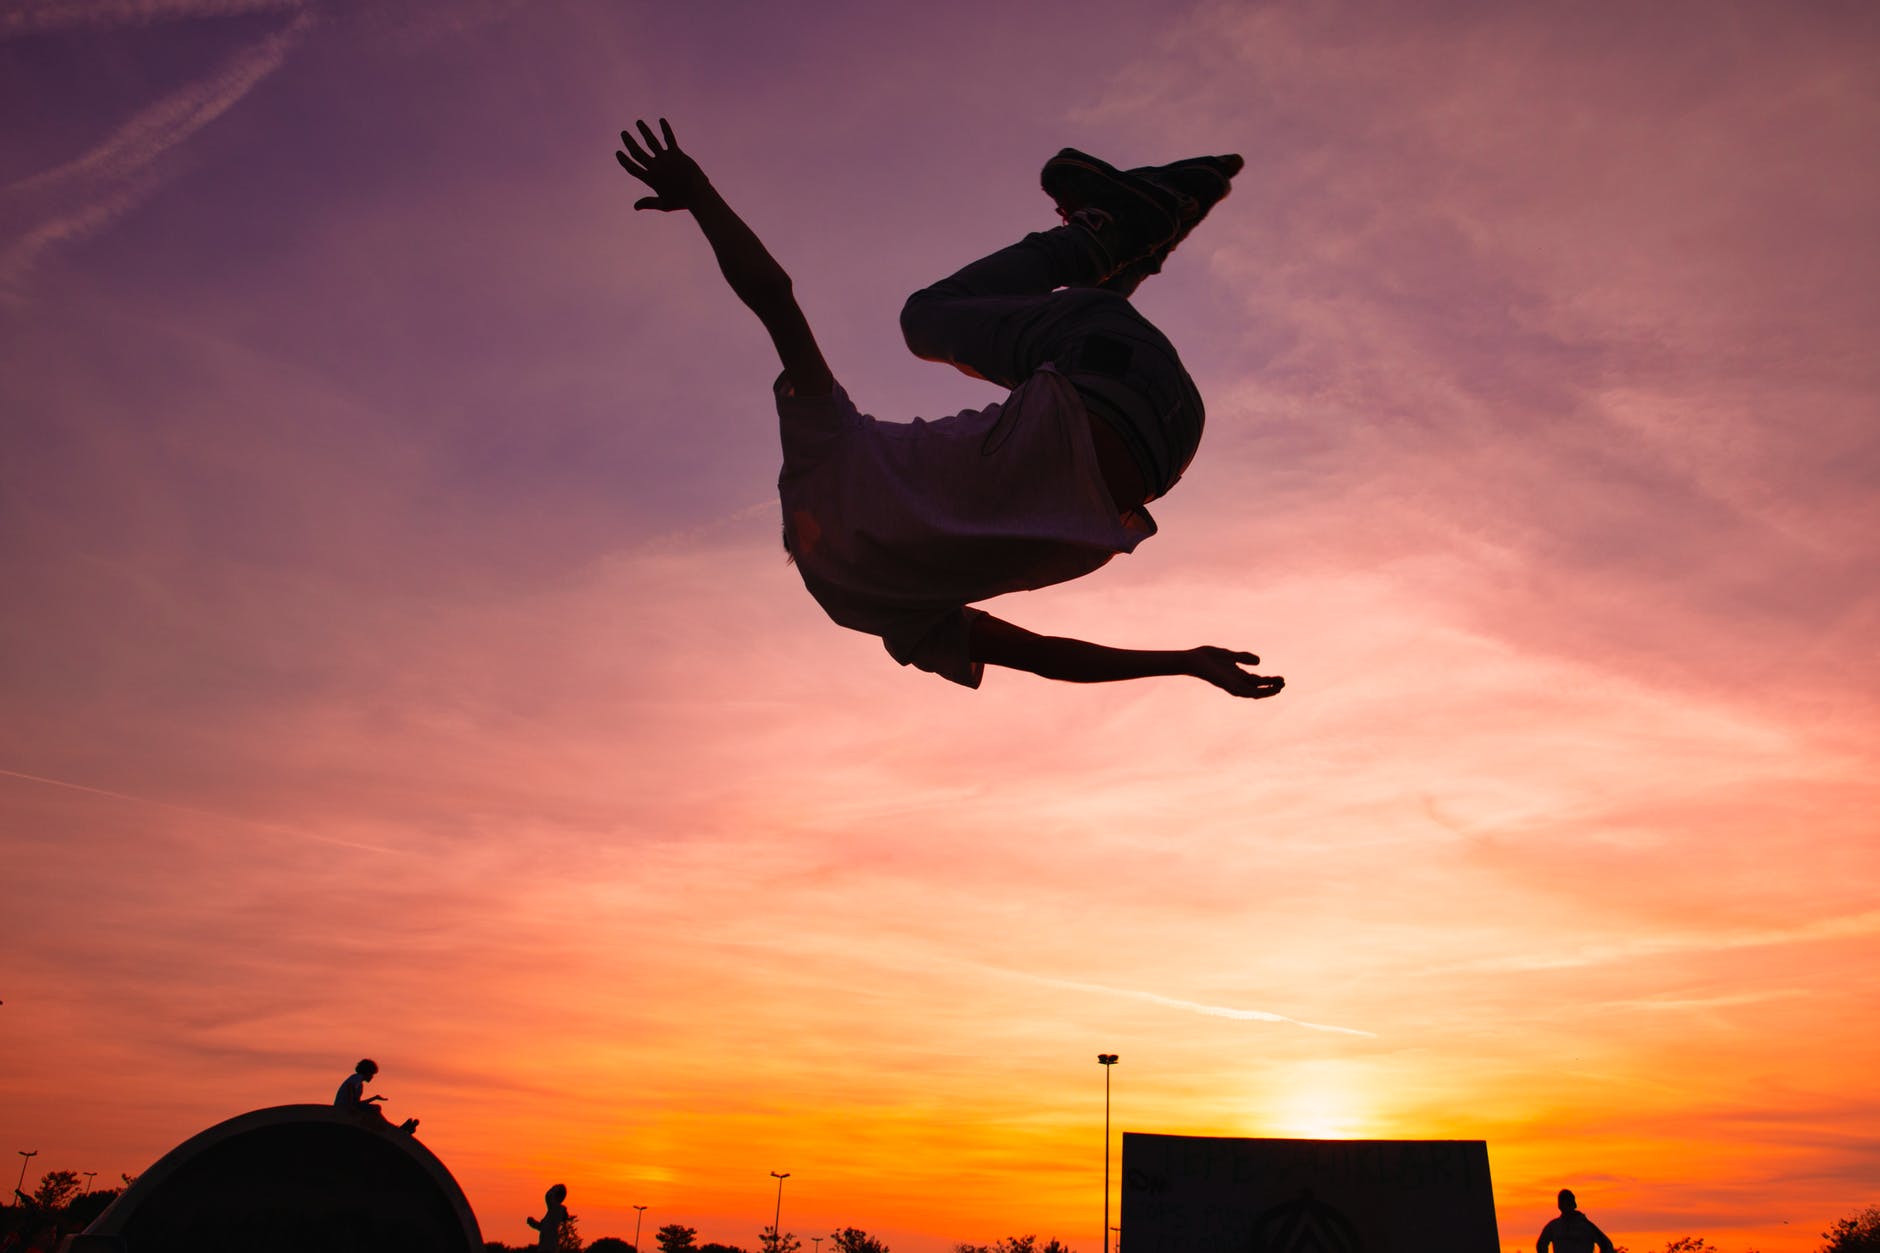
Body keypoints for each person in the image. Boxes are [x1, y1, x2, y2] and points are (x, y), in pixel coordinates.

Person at [615, 119, 1284, 698]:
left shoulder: (874, 609)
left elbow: (1047, 658)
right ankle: (1109, 235)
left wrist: (1183, 662)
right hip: (1103, 372)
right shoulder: (820, 456)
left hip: (1168, 446)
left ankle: (1139, 243)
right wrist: (699, 195)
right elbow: (774, 297)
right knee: (927, 317)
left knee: (1047, 362)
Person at [334, 1058, 418, 1135]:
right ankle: (390, 1129)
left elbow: (358, 1103)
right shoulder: (357, 1077)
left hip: (349, 1106)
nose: (372, 1077)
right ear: (367, 1072)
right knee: (375, 1109)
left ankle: (391, 1128)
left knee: (375, 1109)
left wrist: (374, 1098)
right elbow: (350, 1087)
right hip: (343, 1107)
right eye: (372, 1074)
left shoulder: (359, 1084)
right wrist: (350, 1107)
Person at [1537, 1188, 1616, 1253]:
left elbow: (1606, 1245)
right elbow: (1541, 1245)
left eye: (1567, 1202)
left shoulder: (1587, 1227)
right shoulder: (1554, 1226)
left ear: (1573, 1204)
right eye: (1563, 1202)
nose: (1565, 1206)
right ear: (1559, 1205)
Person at [526, 1183, 569, 1252]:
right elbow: (543, 1227)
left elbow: (548, 1196)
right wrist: (533, 1223)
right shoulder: (553, 1212)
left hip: (549, 1248)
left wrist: (554, 1188)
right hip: (545, 1247)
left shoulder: (557, 1209)